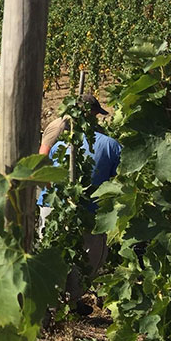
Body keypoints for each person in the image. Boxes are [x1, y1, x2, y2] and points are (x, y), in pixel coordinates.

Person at [38, 94, 121, 313]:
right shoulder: (111, 145)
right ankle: (68, 302)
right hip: (90, 211)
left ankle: (56, 305)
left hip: (51, 204)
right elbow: (118, 180)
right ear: (92, 115)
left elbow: (39, 166)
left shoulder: (58, 141)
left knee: (51, 252)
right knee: (89, 258)